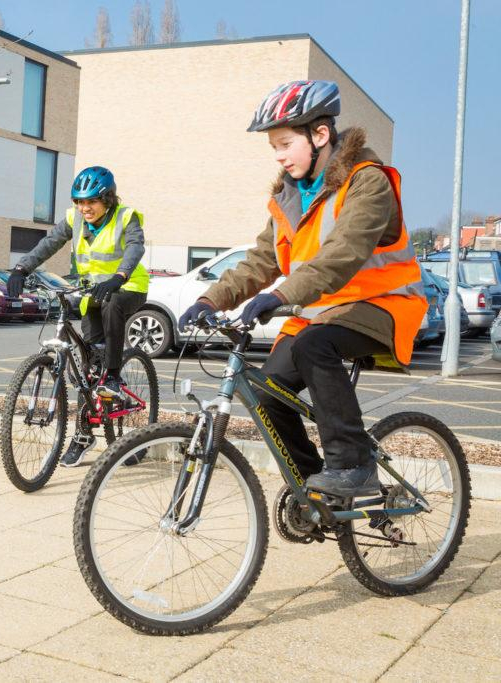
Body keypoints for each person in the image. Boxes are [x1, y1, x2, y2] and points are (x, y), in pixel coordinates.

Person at [178, 80, 427, 497]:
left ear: (320, 134)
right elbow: (261, 260)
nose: (278, 155)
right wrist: (209, 299)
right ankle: (316, 492)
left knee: (314, 345)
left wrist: (280, 295)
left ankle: (354, 465)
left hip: (382, 303)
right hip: (319, 312)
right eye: (273, 146)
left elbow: (343, 253)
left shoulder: (367, 182)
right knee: (265, 392)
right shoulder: (288, 197)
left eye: (285, 143)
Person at [8, 166, 150, 467]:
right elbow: (49, 243)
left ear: (107, 199)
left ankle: (114, 377)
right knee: (87, 371)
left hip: (127, 288)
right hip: (92, 293)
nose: (85, 208)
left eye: (91, 201)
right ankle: (84, 435)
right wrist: (21, 268)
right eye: (79, 202)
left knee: (112, 306)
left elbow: (135, 247)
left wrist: (120, 276)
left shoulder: (126, 217)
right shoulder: (74, 219)